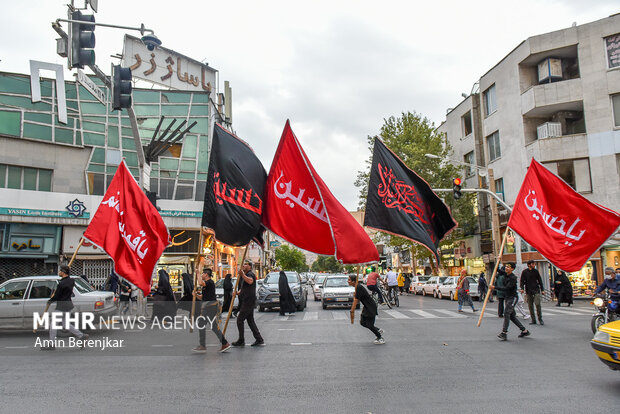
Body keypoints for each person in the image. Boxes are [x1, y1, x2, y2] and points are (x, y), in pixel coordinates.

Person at [42, 265, 89, 350]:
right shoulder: (71, 281)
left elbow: (57, 296)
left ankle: (51, 345)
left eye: (60, 271)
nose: (59, 272)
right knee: (66, 324)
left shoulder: (61, 284)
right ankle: (82, 336)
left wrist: (50, 301)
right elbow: (66, 284)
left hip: (61, 307)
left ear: (63, 273)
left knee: (53, 325)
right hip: (68, 305)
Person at [192, 268, 230, 353]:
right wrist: (196, 295)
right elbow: (203, 297)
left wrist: (197, 273)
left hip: (210, 307)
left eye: (202, 273)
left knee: (204, 324)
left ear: (206, 274)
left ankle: (204, 345)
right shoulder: (207, 285)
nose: (201, 275)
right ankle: (224, 343)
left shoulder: (210, 282)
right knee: (210, 326)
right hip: (208, 306)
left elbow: (201, 283)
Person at [490, 262, 530, 341]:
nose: (506, 268)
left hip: (513, 298)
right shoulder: (506, 274)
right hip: (507, 297)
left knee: (507, 313)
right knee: (512, 316)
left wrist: (495, 287)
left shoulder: (513, 278)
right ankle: (524, 330)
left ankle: (504, 332)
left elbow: (507, 288)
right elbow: (498, 271)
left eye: (508, 267)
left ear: (512, 269)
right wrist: (497, 263)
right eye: (506, 267)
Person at [232, 261, 264, 347]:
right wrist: (237, 293)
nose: (243, 265)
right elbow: (244, 288)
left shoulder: (250, 274)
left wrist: (242, 275)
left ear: (250, 266)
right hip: (246, 300)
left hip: (249, 301)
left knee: (240, 320)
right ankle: (259, 339)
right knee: (250, 321)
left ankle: (241, 340)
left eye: (246, 264)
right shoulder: (245, 275)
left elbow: (250, 281)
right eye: (243, 264)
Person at [349, 275, 384, 344]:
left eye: (349, 280)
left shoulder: (358, 287)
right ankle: (378, 330)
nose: (348, 281)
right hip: (366, 306)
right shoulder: (357, 287)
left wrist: (352, 310)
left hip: (370, 307)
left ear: (353, 281)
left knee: (369, 324)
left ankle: (380, 337)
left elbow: (356, 300)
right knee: (362, 323)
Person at [520, 260, 545, 325]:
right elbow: (522, 281)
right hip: (528, 290)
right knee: (530, 306)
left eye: (534, 264)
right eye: (533, 264)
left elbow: (540, 280)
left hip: (536, 290)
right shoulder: (524, 272)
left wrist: (542, 290)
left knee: (537, 304)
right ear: (529, 265)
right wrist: (522, 288)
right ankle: (533, 320)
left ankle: (540, 319)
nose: (534, 265)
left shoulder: (536, 271)